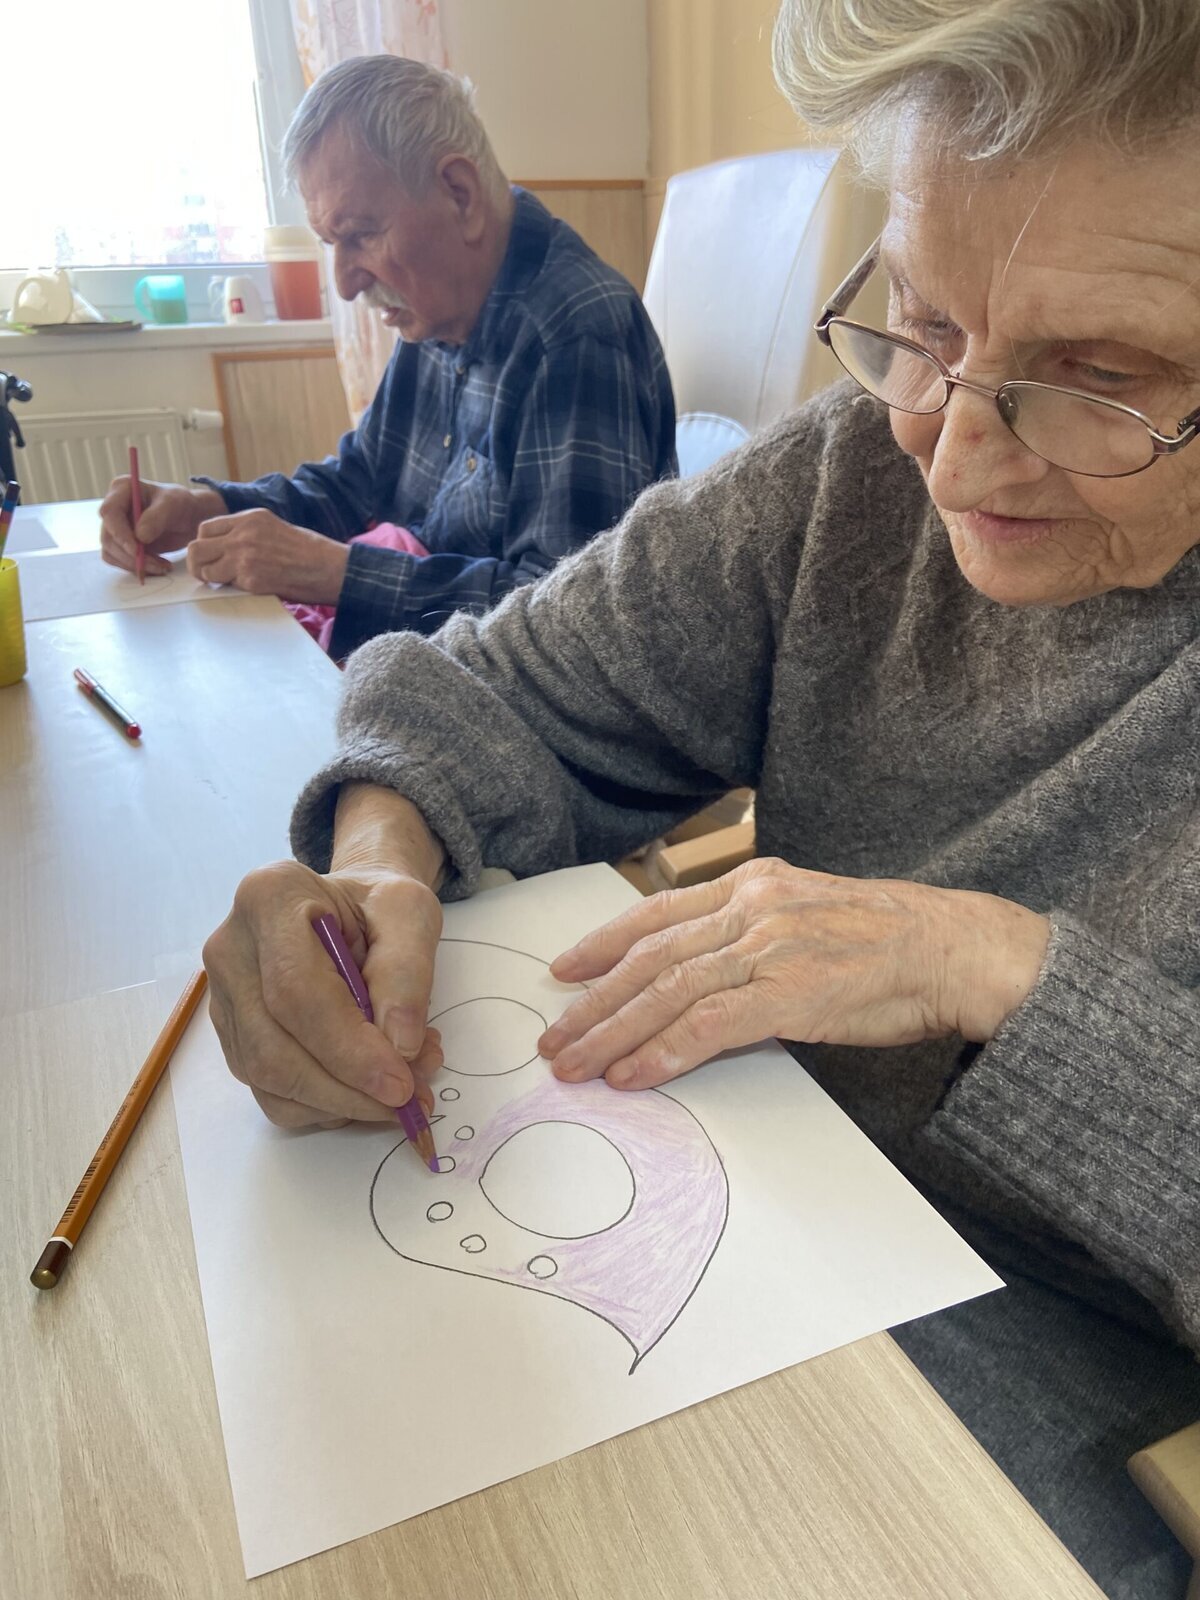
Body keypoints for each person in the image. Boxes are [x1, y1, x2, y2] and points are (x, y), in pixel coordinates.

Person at [202, 2, 1200, 1592]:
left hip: (1062, 1404)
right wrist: (383, 857)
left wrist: (995, 970)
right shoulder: (851, 474)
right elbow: (485, 684)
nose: (948, 462)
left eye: (1102, 376)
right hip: (776, 1231)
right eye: (924, 320)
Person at [98, 57, 676, 658]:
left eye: (361, 236)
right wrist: (207, 510)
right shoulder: (439, 306)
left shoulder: (573, 335)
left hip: (509, 700)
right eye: (331, 243)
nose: (345, 284)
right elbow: (360, 481)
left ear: (459, 195)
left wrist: (335, 572)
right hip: (424, 663)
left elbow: (567, 626)